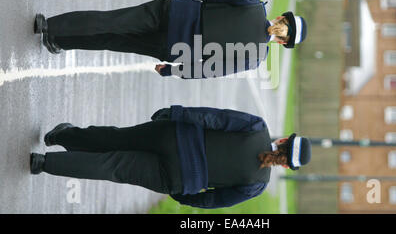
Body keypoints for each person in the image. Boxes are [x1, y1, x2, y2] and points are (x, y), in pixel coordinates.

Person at [30, 105, 312, 209]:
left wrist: (176, 112)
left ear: (285, 140)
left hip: (173, 137)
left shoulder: (257, 127)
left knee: (115, 137)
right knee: (112, 167)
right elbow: (215, 200)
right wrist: (184, 196)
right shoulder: (258, 184)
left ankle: (59, 137)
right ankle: (44, 164)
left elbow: (212, 118)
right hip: (178, 178)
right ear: (287, 165)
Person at [34, 0, 307, 79]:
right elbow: (208, 70)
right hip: (171, 47)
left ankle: (52, 26)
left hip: (173, 13)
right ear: (283, 43)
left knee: (112, 20)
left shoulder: (253, 5)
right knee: (113, 40)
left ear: (282, 16)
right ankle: (60, 42)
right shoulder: (254, 58)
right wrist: (172, 71)